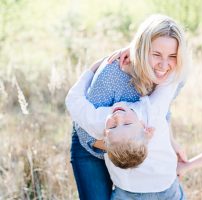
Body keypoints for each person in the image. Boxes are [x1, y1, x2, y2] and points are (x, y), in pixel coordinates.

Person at [67, 14, 189, 200]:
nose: (165, 65)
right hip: (91, 148)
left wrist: (169, 142)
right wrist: (121, 146)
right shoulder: (111, 76)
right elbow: (85, 132)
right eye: (156, 54)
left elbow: (163, 111)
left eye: (172, 56)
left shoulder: (173, 74)